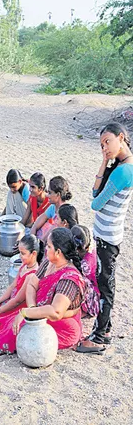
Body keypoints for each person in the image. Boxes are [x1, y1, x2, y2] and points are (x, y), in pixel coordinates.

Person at [0, 228, 85, 356]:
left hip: (63, 327)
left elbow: (56, 312)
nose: (45, 249)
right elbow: (32, 284)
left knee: (18, 328)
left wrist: (28, 312)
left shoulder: (68, 280)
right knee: (7, 319)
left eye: (49, 247)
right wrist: (32, 308)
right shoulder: (48, 264)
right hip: (41, 312)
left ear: (58, 252)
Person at [78, 123, 133, 355]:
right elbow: (94, 192)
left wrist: (105, 169)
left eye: (108, 142)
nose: (105, 148)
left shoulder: (124, 171)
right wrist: (103, 162)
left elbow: (95, 203)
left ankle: (100, 337)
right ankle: (106, 329)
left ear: (121, 137)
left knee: (105, 285)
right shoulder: (118, 165)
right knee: (104, 281)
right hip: (108, 234)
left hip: (108, 237)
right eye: (101, 145)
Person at [30, 176, 72, 241]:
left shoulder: (64, 212)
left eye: (50, 193)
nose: (47, 195)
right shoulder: (53, 207)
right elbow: (36, 224)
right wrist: (31, 240)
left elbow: (51, 233)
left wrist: (39, 245)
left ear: (58, 195)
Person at [72, 225, 99, 318]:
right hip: (96, 287)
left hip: (95, 295)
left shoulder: (86, 263)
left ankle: (85, 309)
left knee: (76, 280)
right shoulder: (90, 247)